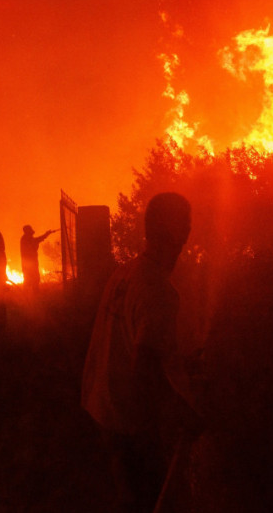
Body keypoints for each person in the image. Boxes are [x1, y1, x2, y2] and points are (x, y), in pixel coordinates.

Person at [81, 192, 202, 513]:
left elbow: (131, 340)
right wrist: (183, 414)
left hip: (103, 405)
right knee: (148, 499)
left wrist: (179, 363)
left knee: (128, 495)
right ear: (172, 232)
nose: (189, 235)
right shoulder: (159, 291)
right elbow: (145, 369)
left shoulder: (126, 272)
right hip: (128, 421)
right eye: (186, 226)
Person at [19, 225, 56, 292]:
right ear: (27, 231)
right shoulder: (26, 238)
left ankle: (28, 295)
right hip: (29, 264)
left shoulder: (26, 238)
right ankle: (29, 295)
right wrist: (46, 234)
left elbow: (37, 240)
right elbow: (36, 241)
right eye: (30, 229)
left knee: (32, 279)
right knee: (31, 279)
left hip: (30, 263)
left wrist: (47, 234)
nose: (32, 230)